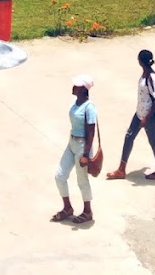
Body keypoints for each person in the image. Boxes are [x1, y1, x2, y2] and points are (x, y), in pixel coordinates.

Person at [105, 49, 155, 181]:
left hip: (148, 116)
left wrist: (147, 118)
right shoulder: (146, 74)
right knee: (129, 137)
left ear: (140, 61)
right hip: (139, 113)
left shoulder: (151, 78)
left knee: (153, 141)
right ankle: (121, 170)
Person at [52, 75, 98, 224]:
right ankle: (67, 208)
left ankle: (87, 211)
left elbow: (91, 132)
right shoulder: (75, 103)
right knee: (60, 176)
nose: (73, 87)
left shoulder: (89, 107)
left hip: (82, 146)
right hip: (71, 142)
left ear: (84, 90)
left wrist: (85, 154)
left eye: (77, 86)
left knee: (82, 181)